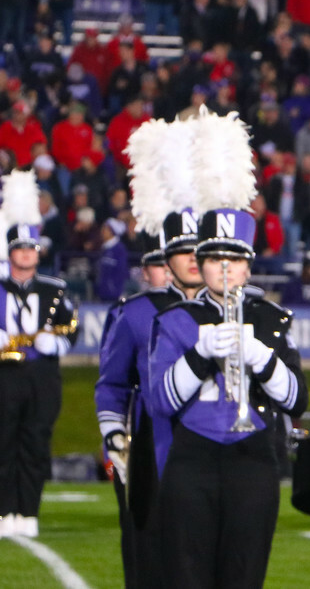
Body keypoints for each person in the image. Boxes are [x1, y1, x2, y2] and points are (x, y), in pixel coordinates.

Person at [147, 110, 307, 587]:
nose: (223, 268)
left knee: (244, 573)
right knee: (189, 573)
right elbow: (160, 401)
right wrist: (199, 356)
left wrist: (261, 357)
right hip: (191, 459)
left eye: (233, 259)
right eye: (213, 258)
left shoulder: (273, 319)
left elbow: (296, 400)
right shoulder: (175, 319)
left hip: (254, 457)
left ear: (247, 267)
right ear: (200, 263)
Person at [95, 116, 204, 588]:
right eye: (180, 254)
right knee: (147, 548)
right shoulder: (137, 313)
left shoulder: (231, 308)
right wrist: (115, 437)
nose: (193, 261)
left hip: (208, 437)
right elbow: (113, 383)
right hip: (151, 436)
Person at [0, 171, 78, 539]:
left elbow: (71, 328)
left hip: (42, 375)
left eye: (32, 249)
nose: (27, 254)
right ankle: (3, 511)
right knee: (2, 441)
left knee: (35, 441)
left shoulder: (55, 289)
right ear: (10, 252)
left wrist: (58, 344)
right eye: (20, 249)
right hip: (4, 374)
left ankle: (28, 511)